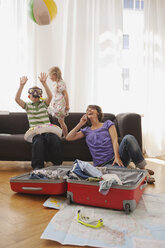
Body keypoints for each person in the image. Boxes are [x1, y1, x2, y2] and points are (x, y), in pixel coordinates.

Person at [66, 105, 155, 184]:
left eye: (92, 109)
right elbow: (68, 138)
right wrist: (81, 123)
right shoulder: (86, 130)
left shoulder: (107, 124)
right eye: (87, 110)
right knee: (124, 176)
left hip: (117, 158)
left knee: (128, 138)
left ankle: (143, 171)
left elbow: (114, 141)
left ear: (98, 113)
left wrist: (117, 157)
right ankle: (138, 173)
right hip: (105, 165)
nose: (89, 110)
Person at [15, 73, 63, 170]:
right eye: (33, 95)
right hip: (36, 132)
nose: (36, 96)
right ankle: (38, 167)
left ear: (41, 96)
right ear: (29, 97)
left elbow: (50, 96)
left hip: (48, 131)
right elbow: (17, 99)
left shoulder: (43, 104)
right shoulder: (28, 106)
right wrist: (21, 86)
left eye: (38, 95)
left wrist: (44, 83)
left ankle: (57, 164)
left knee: (53, 139)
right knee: (38, 142)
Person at [48, 66, 69, 137]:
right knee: (61, 121)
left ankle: (66, 136)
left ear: (55, 74)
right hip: (56, 104)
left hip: (60, 104)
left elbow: (65, 94)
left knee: (61, 121)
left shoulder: (61, 83)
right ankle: (64, 135)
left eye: (50, 75)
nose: (49, 77)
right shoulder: (55, 83)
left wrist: (67, 105)